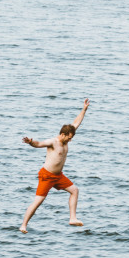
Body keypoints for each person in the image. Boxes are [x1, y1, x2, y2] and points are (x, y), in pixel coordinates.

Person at [19, 98, 90, 233]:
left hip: (58, 176)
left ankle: (72, 218)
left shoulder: (67, 138)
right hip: (47, 176)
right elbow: (39, 144)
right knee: (38, 201)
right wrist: (30, 142)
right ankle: (23, 225)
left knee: (75, 190)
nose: (70, 140)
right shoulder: (53, 142)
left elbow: (76, 123)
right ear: (62, 134)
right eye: (69, 137)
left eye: (71, 138)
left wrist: (84, 110)